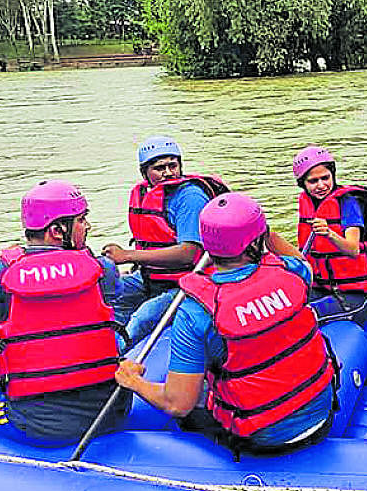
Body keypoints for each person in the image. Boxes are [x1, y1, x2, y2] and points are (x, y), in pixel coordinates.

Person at [114, 192, 338, 457]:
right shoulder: (292, 271)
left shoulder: (195, 311)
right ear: (259, 238)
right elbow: (302, 262)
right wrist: (264, 234)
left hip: (263, 439)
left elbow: (178, 404)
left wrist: (134, 382)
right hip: (323, 415)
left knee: (188, 407)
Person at [0, 180, 132, 445]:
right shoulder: (104, 271)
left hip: (35, 425)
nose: (87, 227)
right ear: (57, 230)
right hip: (111, 415)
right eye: (82, 220)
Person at [102, 135, 227, 348]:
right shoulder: (142, 193)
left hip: (187, 283)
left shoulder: (189, 197)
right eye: (160, 168)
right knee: (109, 297)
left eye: (173, 165)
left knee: (142, 318)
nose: (169, 173)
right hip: (150, 277)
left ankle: (118, 363)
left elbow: (189, 253)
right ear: (145, 173)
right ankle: (102, 349)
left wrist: (127, 256)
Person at [293, 145, 367, 325]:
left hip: (356, 296)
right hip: (323, 288)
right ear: (303, 184)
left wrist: (329, 233)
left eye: (325, 178)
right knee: (287, 309)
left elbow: (353, 249)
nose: (321, 185)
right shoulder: (307, 205)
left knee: (306, 318)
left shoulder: (348, 204)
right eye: (313, 181)